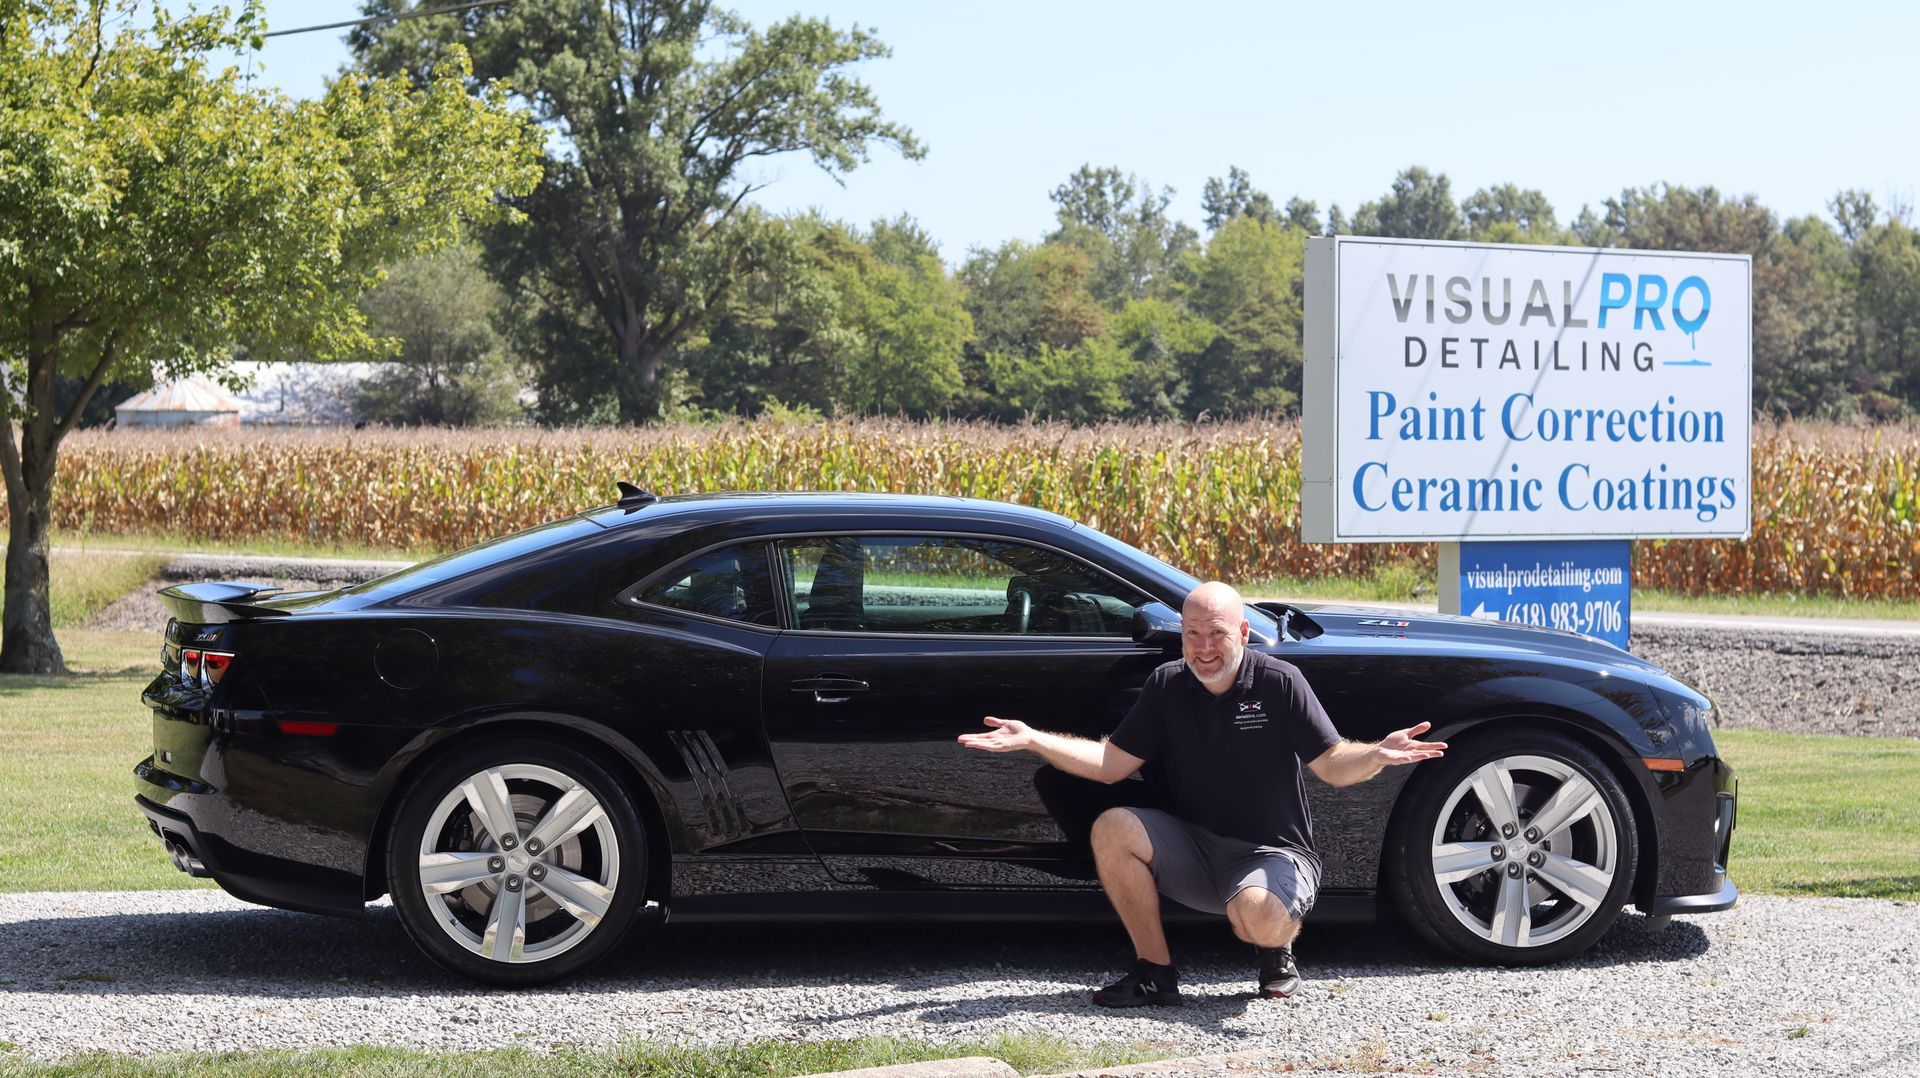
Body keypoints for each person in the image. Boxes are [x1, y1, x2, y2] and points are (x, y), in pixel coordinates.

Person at [958, 581, 1445, 1006]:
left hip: (1272, 851)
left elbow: (1332, 764)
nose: (1204, 647)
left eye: (1217, 632)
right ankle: (1155, 973)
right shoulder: (1167, 684)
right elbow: (1111, 765)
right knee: (1113, 828)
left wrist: (1377, 754)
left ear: (1244, 634)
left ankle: (1275, 950)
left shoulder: (1279, 683)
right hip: (1193, 846)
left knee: (1254, 916)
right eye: (1193, 633)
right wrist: (1032, 739)